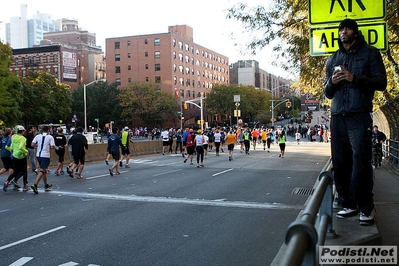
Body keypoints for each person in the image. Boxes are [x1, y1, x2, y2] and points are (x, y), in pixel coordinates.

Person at [324, 18, 387, 226]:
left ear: (355, 32)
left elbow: (381, 82)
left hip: (359, 115)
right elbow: (327, 92)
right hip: (338, 116)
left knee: (361, 160)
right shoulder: (333, 59)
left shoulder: (370, 53)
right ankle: (347, 203)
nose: (344, 32)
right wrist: (332, 83)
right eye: (341, 29)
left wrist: (354, 78)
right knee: (340, 162)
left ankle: (365, 208)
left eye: (348, 28)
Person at [31, 126, 55, 194]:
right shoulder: (50, 137)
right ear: (48, 130)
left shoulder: (38, 136)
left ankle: (46, 184)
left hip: (38, 154)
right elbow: (52, 146)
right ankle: (35, 184)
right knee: (43, 169)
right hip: (45, 155)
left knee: (44, 169)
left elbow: (32, 144)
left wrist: (38, 145)